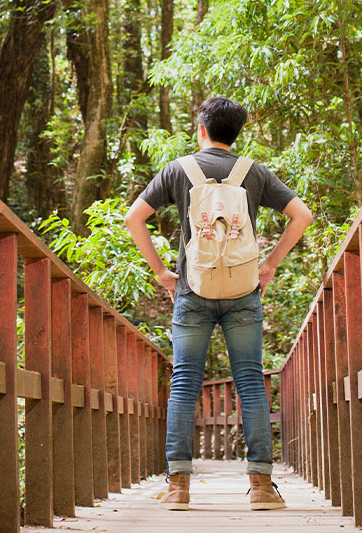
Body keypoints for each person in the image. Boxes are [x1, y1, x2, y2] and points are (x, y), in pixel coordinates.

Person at [124, 97, 312, 510]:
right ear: (236, 132)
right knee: (250, 381)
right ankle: (262, 486)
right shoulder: (253, 172)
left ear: (202, 129)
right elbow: (302, 215)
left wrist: (160, 271)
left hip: (192, 291)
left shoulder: (179, 169)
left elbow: (134, 218)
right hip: (244, 291)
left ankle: (178, 487)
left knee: (184, 383)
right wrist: (270, 264)